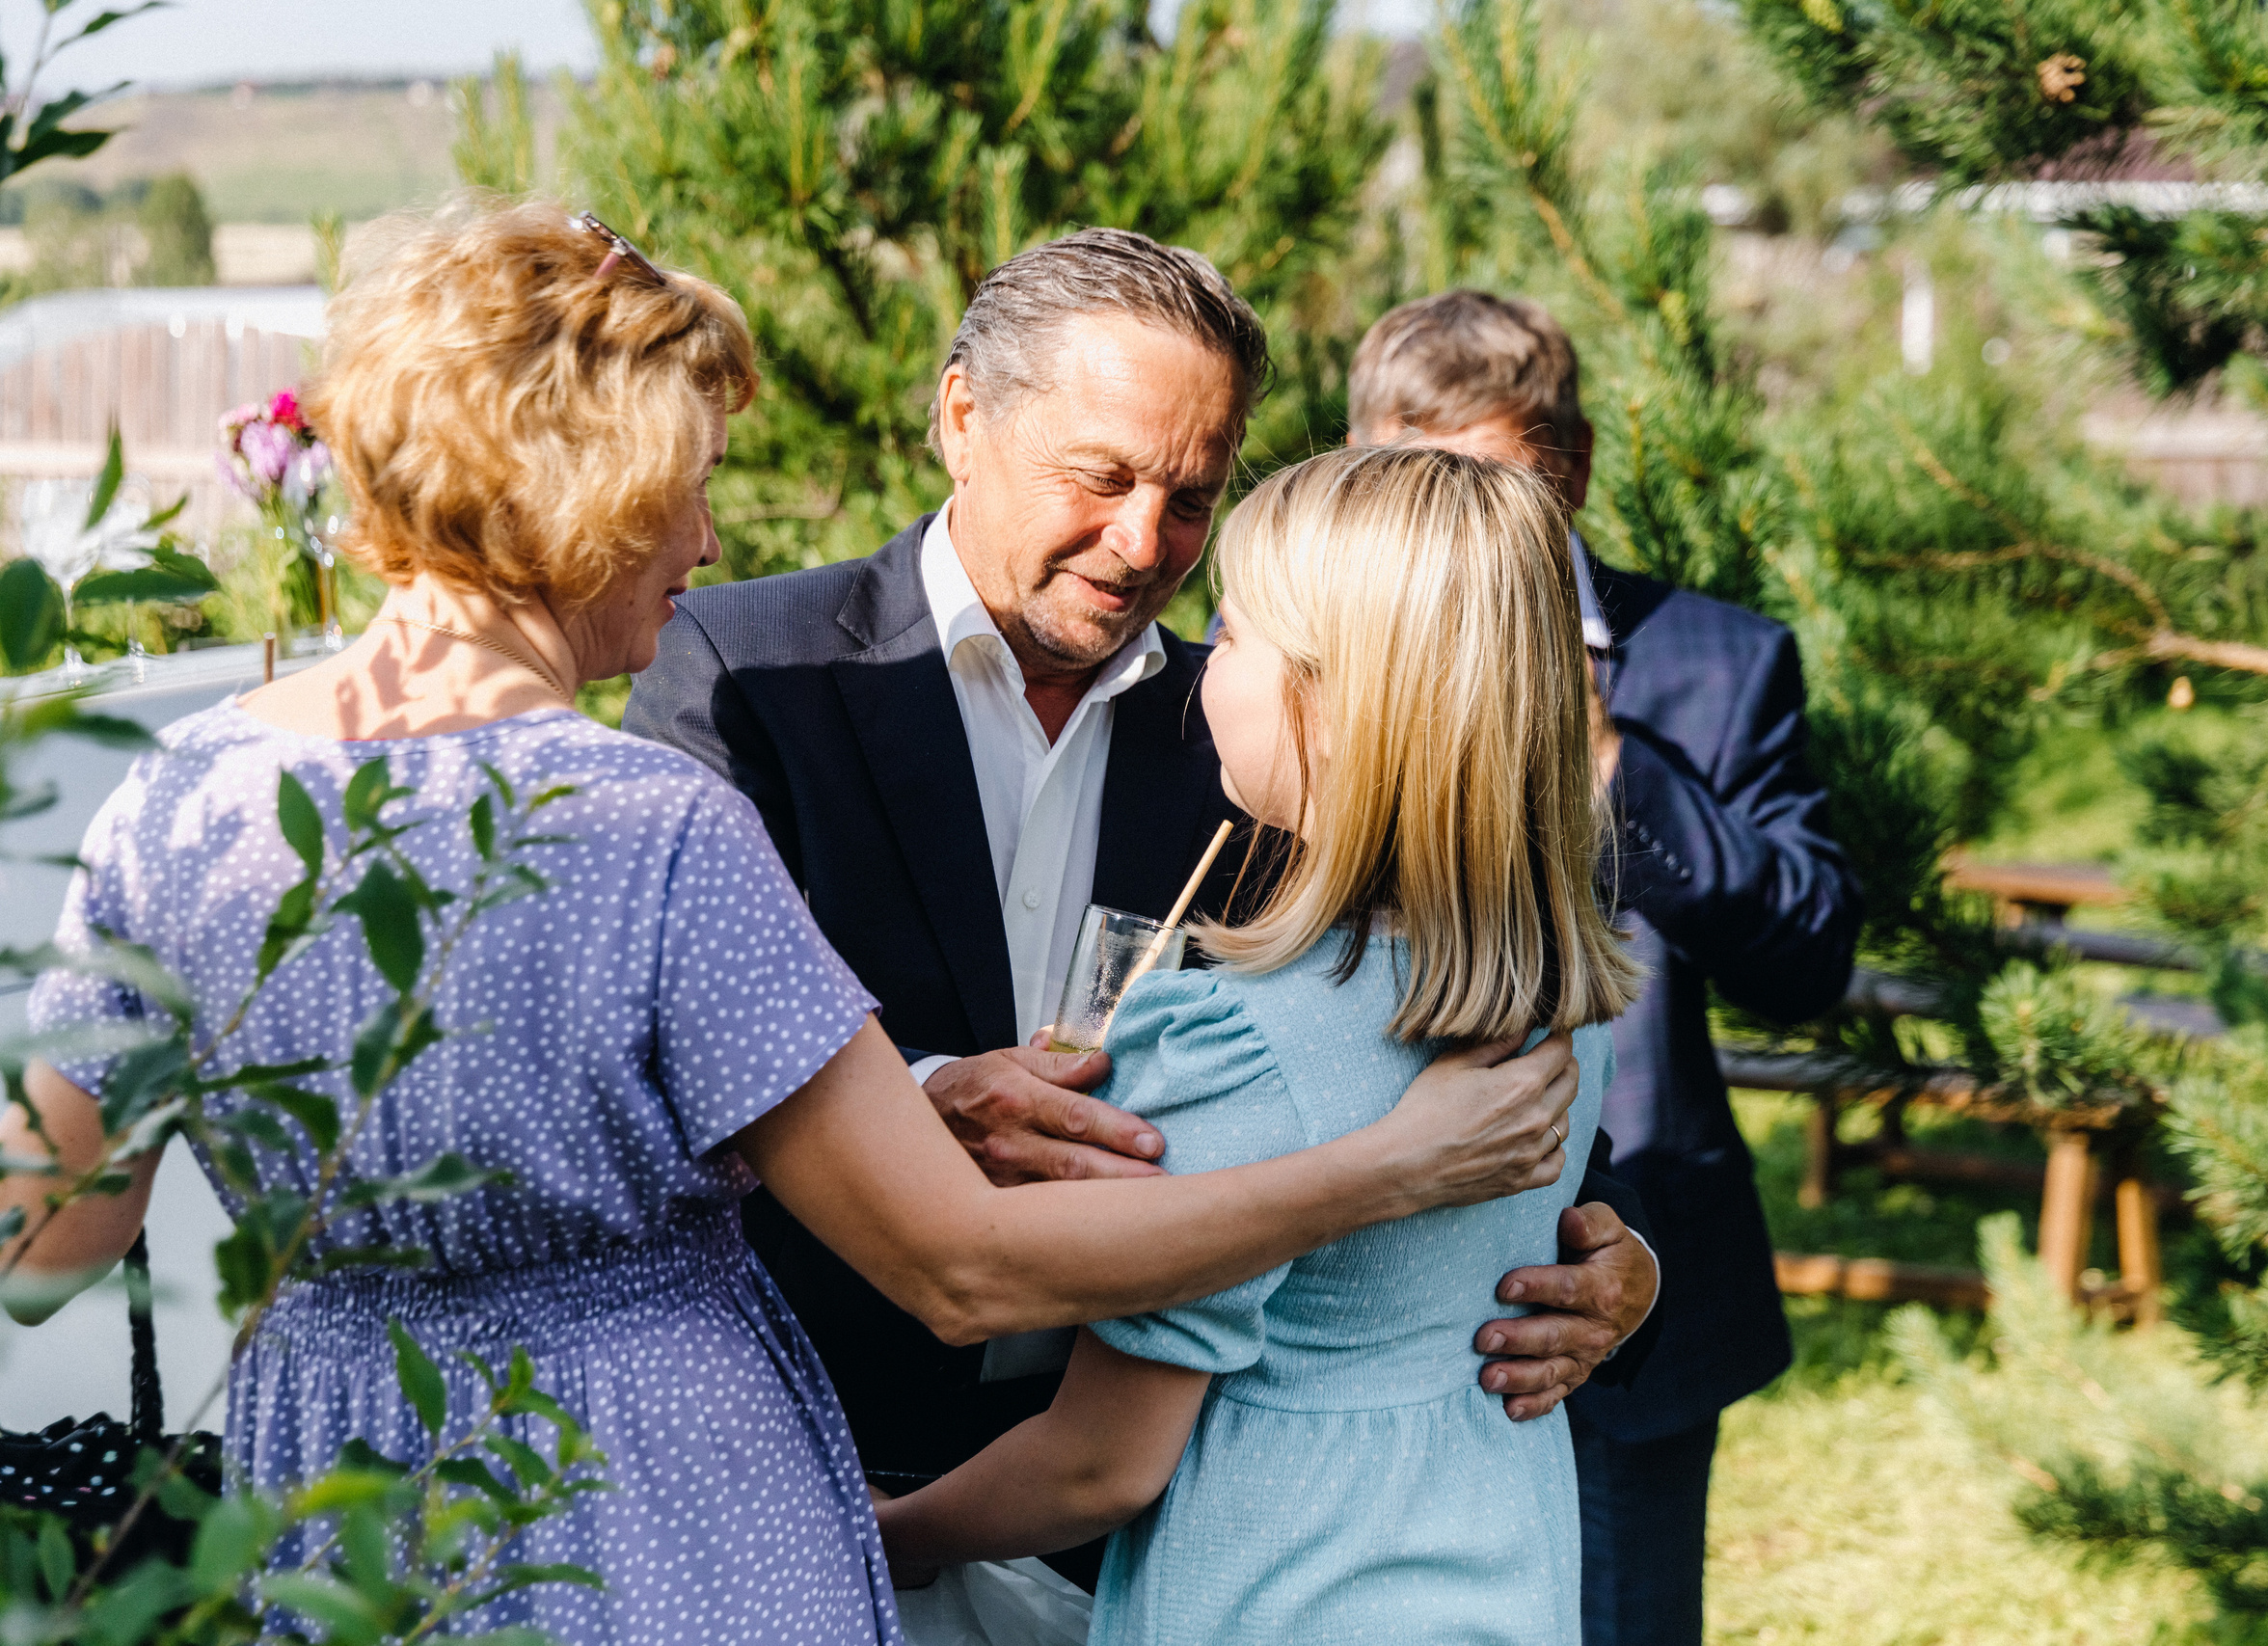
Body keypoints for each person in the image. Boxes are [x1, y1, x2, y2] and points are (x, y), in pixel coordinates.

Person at [0, 203, 1585, 1646]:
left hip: (338, 1519)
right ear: (591, 489)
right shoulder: (646, 824)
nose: (703, 541)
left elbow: (44, 1242)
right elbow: (960, 1268)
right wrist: (1388, 1171)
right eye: (689, 485)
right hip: (658, 1522)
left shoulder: (182, 801)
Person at [624, 229, 1664, 1584]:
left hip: (1159, 1521)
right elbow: (660, 1059)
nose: (1142, 543)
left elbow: (1441, 1042)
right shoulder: (743, 669)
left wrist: (1619, 1253)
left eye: (1191, 496)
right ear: (961, 417)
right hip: (813, 1466)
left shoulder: (1273, 724)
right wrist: (923, 1092)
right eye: (1102, 476)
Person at [875, 443, 1639, 1643]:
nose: (1197, 674)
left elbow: (1101, 1466)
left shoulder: (1230, 1039)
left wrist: (885, 1537)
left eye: (1229, 638)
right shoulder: (1557, 997)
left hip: (1277, 1598)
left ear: (1335, 703)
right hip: (1501, 1590)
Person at [1345, 290, 1862, 1646]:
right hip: (1339, 1287)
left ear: (1566, 469)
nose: (1461, 537)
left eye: (1495, 489)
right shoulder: (1289, 652)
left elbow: (1809, 958)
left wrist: (1614, 761)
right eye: (1419, 489)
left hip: (1625, 1298)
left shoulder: (1718, 660)